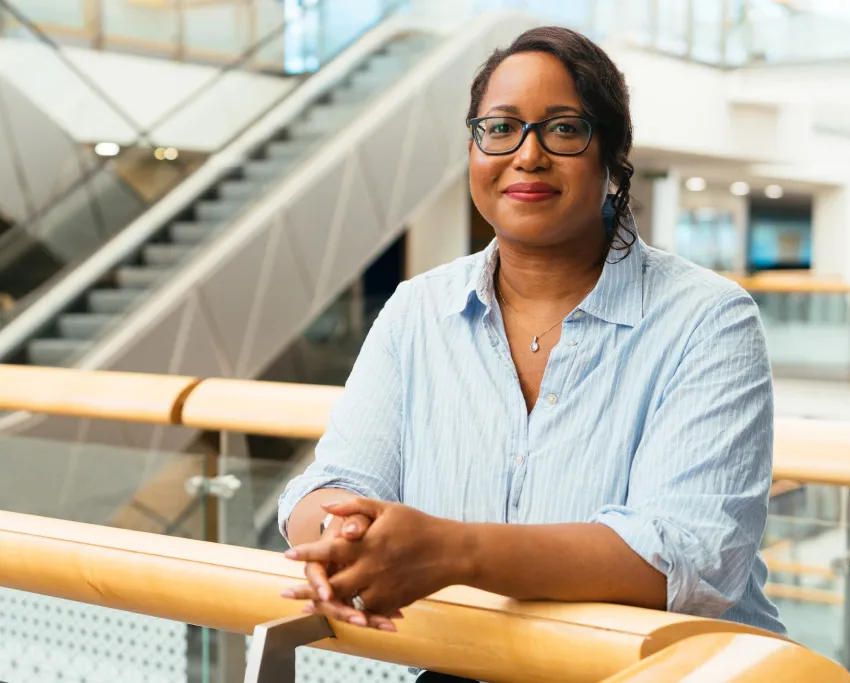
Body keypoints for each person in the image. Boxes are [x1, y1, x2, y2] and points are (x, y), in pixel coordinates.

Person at [278, 25, 785, 655]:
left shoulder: (708, 318)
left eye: (565, 128)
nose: (528, 154)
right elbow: (329, 485)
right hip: (476, 663)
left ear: (612, 155)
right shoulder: (418, 311)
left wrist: (449, 551)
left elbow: (687, 558)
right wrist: (343, 533)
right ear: (473, 148)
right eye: (500, 127)